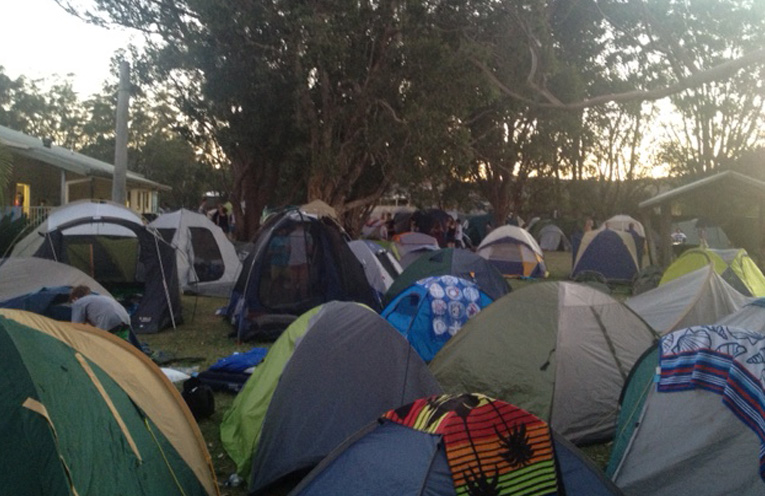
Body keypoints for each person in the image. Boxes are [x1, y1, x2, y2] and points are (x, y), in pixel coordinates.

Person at [69, 285, 134, 343]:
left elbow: (77, 326)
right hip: (125, 319)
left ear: (75, 298)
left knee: (100, 344)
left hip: (109, 321)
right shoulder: (99, 297)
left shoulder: (79, 302)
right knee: (123, 346)